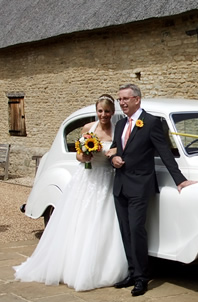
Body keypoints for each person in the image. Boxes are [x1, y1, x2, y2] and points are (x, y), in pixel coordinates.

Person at [14, 94, 128, 291]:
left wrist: (114, 154)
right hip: (88, 178)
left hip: (108, 178)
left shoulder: (118, 129)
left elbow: (121, 150)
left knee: (105, 221)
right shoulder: (88, 129)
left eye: (107, 111)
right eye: (100, 111)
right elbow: (78, 154)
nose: (104, 115)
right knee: (80, 219)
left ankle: (103, 266)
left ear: (112, 112)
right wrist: (85, 155)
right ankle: (73, 265)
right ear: (96, 111)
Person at [110, 84, 196, 296]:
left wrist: (179, 179)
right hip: (120, 185)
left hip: (140, 186)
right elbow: (114, 148)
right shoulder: (120, 124)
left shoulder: (151, 123)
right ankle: (131, 272)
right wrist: (114, 158)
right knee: (125, 231)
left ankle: (141, 277)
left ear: (137, 99)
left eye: (125, 99)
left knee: (137, 230)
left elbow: (165, 152)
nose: (121, 103)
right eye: (119, 99)